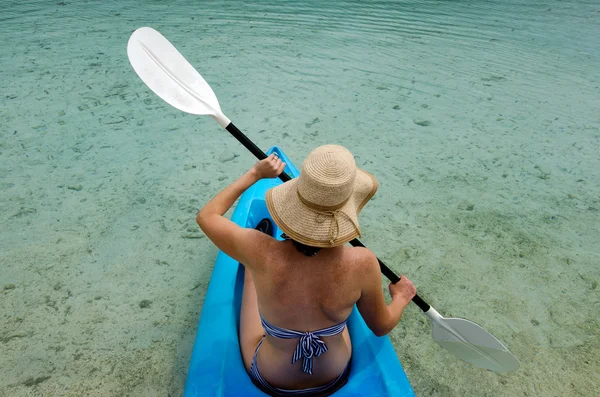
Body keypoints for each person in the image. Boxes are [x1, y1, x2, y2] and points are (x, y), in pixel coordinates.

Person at [197, 144, 416, 396]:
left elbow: (206, 216)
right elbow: (381, 326)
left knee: (251, 272)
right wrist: (400, 297)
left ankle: (254, 273)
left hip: (270, 376)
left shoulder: (260, 250)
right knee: (335, 312)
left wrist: (255, 174)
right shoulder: (364, 262)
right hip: (334, 374)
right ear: (349, 207)